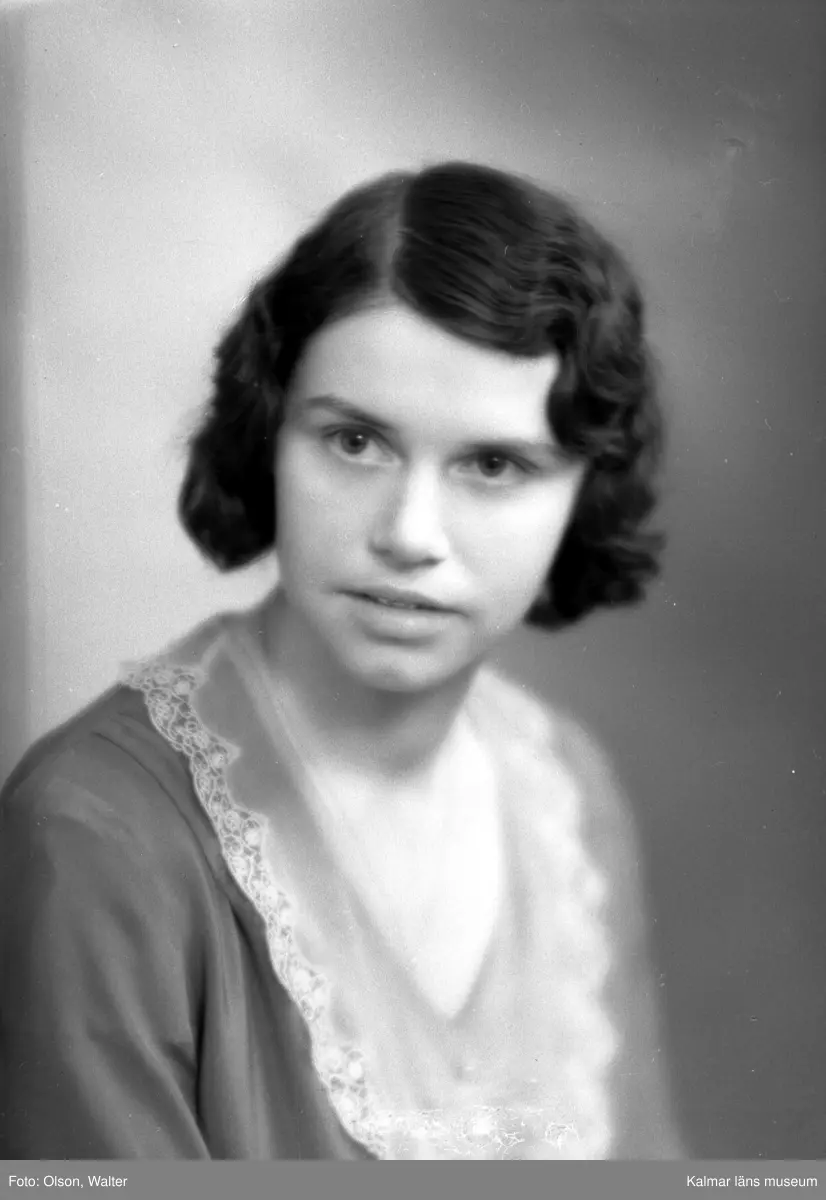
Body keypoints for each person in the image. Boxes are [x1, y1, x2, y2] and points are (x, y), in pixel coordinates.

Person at [0, 161, 683, 1160]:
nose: (408, 533)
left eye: (493, 465)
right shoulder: (94, 837)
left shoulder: (564, 798)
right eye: (356, 441)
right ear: (270, 435)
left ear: (585, 491)